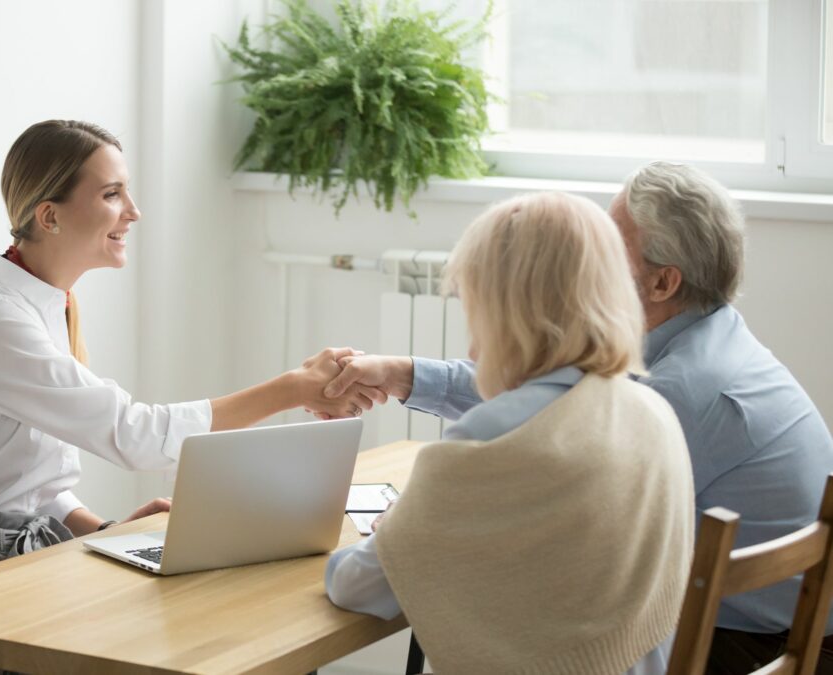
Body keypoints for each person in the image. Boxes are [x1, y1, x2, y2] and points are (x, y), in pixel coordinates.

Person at [0, 120, 382, 675]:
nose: (133, 212)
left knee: (207, 629)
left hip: (15, 566)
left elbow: (26, 482)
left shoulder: (49, 306)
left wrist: (101, 530)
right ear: (50, 215)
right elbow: (137, 436)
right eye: (113, 194)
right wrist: (291, 388)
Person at [324, 163, 833, 674]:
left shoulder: (676, 392)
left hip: (752, 645)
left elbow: (544, 427)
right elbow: (554, 416)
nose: (594, 259)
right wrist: (408, 375)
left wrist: (417, 526)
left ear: (662, 282)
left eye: (613, 244)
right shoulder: (700, 356)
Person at [324, 191, 695, 674]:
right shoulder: (652, 411)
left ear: (503, 311)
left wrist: (400, 529)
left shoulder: (492, 440)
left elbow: (355, 587)